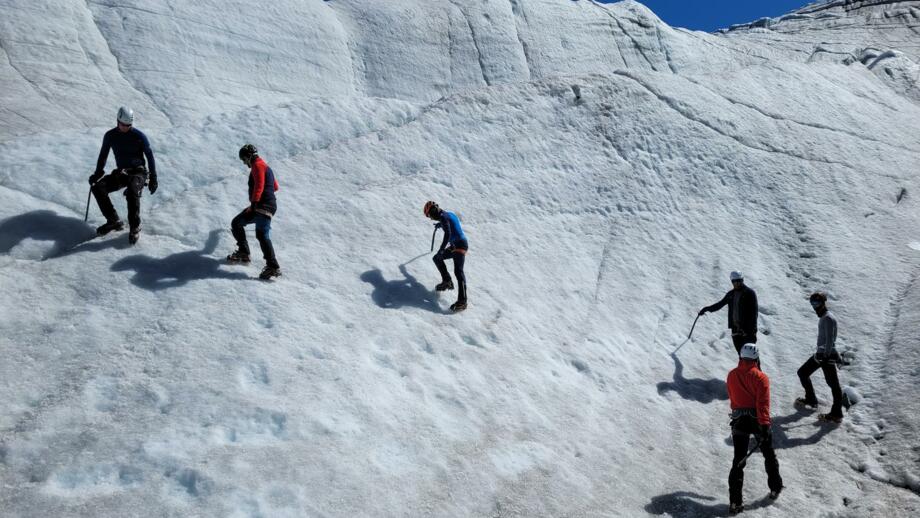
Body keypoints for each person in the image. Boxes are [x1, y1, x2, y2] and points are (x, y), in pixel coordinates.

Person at [726, 343, 783, 514]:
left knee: (738, 460)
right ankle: (775, 487)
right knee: (768, 454)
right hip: (757, 420)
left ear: (741, 357)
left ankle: (735, 502)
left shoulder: (731, 375)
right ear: (756, 358)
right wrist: (764, 425)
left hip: (738, 420)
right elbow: (763, 404)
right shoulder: (761, 377)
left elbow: (732, 396)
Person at [88, 106, 158, 244]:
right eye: (123, 124)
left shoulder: (139, 136)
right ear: (117, 121)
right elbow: (103, 155)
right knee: (98, 187)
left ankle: (134, 227)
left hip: (139, 172)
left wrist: (153, 177)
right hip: (122, 172)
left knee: (132, 191)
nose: (126, 127)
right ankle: (113, 221)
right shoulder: (110, 136)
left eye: (129, 125)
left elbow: (149, 156)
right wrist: (98, 173)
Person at [227, 144, 281, 280]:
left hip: (261, 206)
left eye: (243, 159)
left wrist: (254, 204)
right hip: (268, 206)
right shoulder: (266, 166)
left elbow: (260, 185)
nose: (244, 163)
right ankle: (268, 264)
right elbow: (275, 187)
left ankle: (251, 256)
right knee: (257, 233)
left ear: (248, 156)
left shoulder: (257, 165)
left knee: (241, 225)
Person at [796, 292, 844, 423]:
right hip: (822, 354)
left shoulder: (828, 318)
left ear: (823, 303)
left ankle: (837, 413)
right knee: (803, 373)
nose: (814, 306)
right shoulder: (825, 317)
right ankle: (811, 400)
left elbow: (830, 340)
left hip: (825, 356)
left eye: (816, 303)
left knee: (833, 385)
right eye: (812, 304)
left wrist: (825, 356)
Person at [699, 271, 758, 355]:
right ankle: (743, 368)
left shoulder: (750, 293)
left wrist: (752, 331)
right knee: (741, 355)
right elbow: (720, 304)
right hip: (736, 331)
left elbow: (754, 313)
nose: (737, 283)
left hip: (748, 332)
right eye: (735, 281)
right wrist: (706, 309)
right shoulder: (731, 294)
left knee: (752, 355)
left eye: (739, 281)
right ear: (732, 282)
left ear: (742, 280)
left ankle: (756, 368)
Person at [424, 201, 468, 312]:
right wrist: (441, 224)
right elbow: (452, 223)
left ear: (433, 212)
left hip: (459, 245)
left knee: (458, 271)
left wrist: (441, 249)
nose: (431, 218)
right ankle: (447, 280)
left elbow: (448, 234)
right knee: (437, 258)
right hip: (456, 245)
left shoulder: (444, 217)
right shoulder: (447, 214)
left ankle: (463, 301)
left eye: (429, 216)